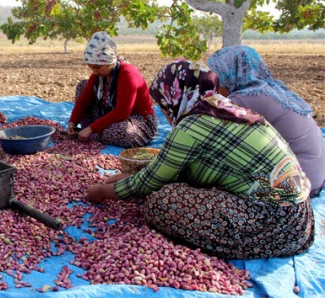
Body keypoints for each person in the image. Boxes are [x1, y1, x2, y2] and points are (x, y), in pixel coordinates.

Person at [86, 59, 314, 260]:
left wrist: (103, 192)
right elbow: (180, 167)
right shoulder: (228, 109)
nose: (164, 112)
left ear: (174, 96)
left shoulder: (193, 125)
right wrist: (127, 177)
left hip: (274, 225)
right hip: (302, 217)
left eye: (163, 104)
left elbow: (151, 182)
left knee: (161, 202)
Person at [207, 44, 325, 198]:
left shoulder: (247, 98)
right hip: (315, 179)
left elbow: (207, 132)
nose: (213, 85)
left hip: (297, 188)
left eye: (215, 77)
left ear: (228, 73)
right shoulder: (272, 89)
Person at [67, 31, 157, 148]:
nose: (94, 71)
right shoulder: (99, 74)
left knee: (123, 133)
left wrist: (91, 128)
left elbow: (122, 112)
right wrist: (72, 122)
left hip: (136, 120)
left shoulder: (128, 74)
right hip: (108, 113)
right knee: (83, 85)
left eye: (97, 67)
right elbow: (83, 102)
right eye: (91, 67)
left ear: (109, 62)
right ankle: (87, 131)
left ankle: (89, 133)